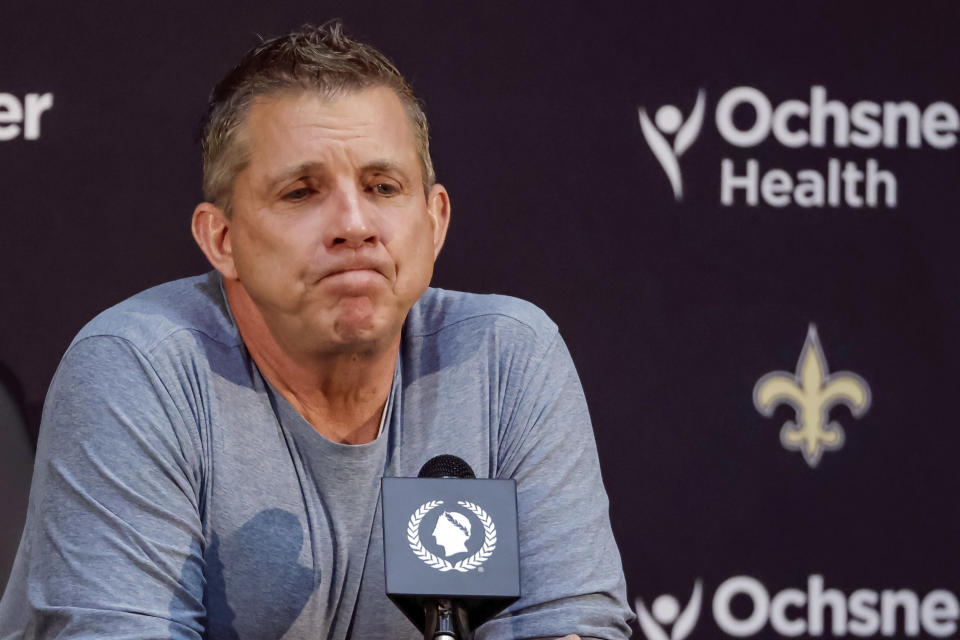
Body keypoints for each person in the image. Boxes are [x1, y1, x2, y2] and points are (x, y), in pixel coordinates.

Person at [0, 23, 633, 640]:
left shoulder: (507, 357)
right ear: (221, 239)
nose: (354, 224)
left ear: (434, 221)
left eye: (383, 186)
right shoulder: (138, 369)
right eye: (302, 192)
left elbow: (570, 627)